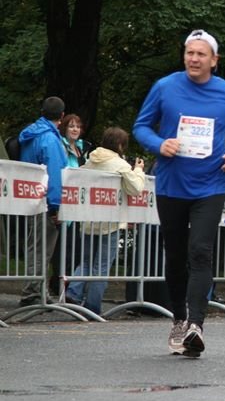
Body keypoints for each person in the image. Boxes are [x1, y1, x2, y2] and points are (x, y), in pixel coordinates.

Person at [133, 29, 225, 357]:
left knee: (200, 251)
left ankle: (196, 325)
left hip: (210, 185)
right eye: (189, 53)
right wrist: (159, 144)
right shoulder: (165, 87)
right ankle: (179, 318)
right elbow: (141, 125)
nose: (194, 59)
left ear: (214, 60)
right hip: (172, 184)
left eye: (201, 54)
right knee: (175, 254)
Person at [65, 127, 145, 314]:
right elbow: (135, 188)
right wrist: (139, 170)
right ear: (119, 144)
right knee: (101, 265)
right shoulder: (120, 164)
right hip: (110, 221)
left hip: (88, 219)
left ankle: (73, 292)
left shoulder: (90, 159)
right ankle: (92, 306)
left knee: (85, 261)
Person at [18, 96, 68, 306]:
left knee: (34, 246)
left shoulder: (31, 135)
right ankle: (34, 292)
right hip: (46, 201)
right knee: (43, 248)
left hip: (30, 198)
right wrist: (56, 206)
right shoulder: (49, 139)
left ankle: (34, 289)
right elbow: (55, 174)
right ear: (62, 116)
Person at [50, 113, 89, 295]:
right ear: (64, 128)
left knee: (75, 248)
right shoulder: (60, 146)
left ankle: (68, 287)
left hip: (77, 205)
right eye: (71, 126)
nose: (75, 129)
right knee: (61, 250)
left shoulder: (83, 148)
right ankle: (57, 286)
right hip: (63, 201)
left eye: (78, 126)